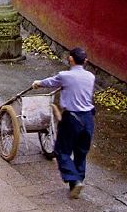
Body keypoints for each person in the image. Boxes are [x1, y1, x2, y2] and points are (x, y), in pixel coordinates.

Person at [31, 47, 95, 199]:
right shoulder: (91, 77)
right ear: (85, 61)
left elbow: (50, 82)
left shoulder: (65, 76)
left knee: (62, 151)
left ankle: (73, 179)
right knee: (81, 152)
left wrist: (38, 83)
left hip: (72, 118)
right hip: (88, 119)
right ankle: (77, 181)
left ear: (71, 59)